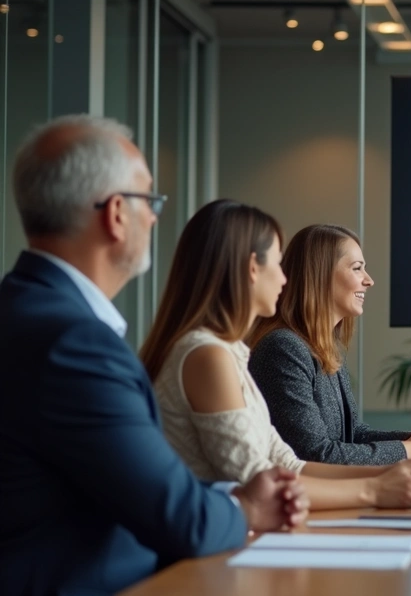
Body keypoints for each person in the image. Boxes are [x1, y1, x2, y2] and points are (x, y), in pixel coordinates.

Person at [0, 116, 308, 595]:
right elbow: (179, 519)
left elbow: (128, 488)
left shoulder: (24, 309)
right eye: (150, 200)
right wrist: (248, 509)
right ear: (117, 214)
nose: (156, 217)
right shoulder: (74, 345)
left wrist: (235, 498)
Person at [141, 200, 411, 511]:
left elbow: (290, 464)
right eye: (278, 264)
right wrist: (382, 482)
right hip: (210, 549)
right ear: (253, 268)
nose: (285, 278)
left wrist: (407, 464)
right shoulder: (211, 355)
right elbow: (260, 481)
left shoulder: (230, 352)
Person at [248, 224, 411, 464]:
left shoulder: (326, 347)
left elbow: (354, 435)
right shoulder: (283, 349)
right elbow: (316, 455)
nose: (369, 281)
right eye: (357, 268)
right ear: (320, 274)